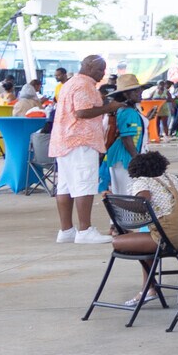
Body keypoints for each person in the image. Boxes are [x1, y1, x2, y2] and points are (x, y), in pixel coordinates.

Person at [48, 56, 116, 243]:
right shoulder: (84, 84)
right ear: (88, 67)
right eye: (100, 69)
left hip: (65, 142)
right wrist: (109, 107)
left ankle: (67, 230)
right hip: (81, 141)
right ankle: (85, 231)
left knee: (66, 186)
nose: (103, 73)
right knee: (84, 184)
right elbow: (82, 112)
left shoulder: (71, 83)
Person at [106, 150, 178, 265]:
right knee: (146, 243)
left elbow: (141, 205)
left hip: (169, 238)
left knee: (116, 242)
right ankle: (149, 277)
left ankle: (148, 277)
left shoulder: (142, 182)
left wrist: (114, 200)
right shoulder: (169, 178)